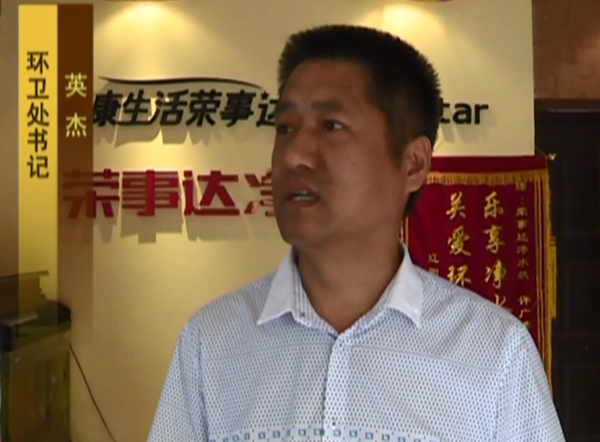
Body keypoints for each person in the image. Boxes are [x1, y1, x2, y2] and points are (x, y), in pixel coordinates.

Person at [148, 24, 565, 442]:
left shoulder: (494, 354)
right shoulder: (211, 344)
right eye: (285, 127)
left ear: (414, 164)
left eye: (331, 125)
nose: (293, 155)